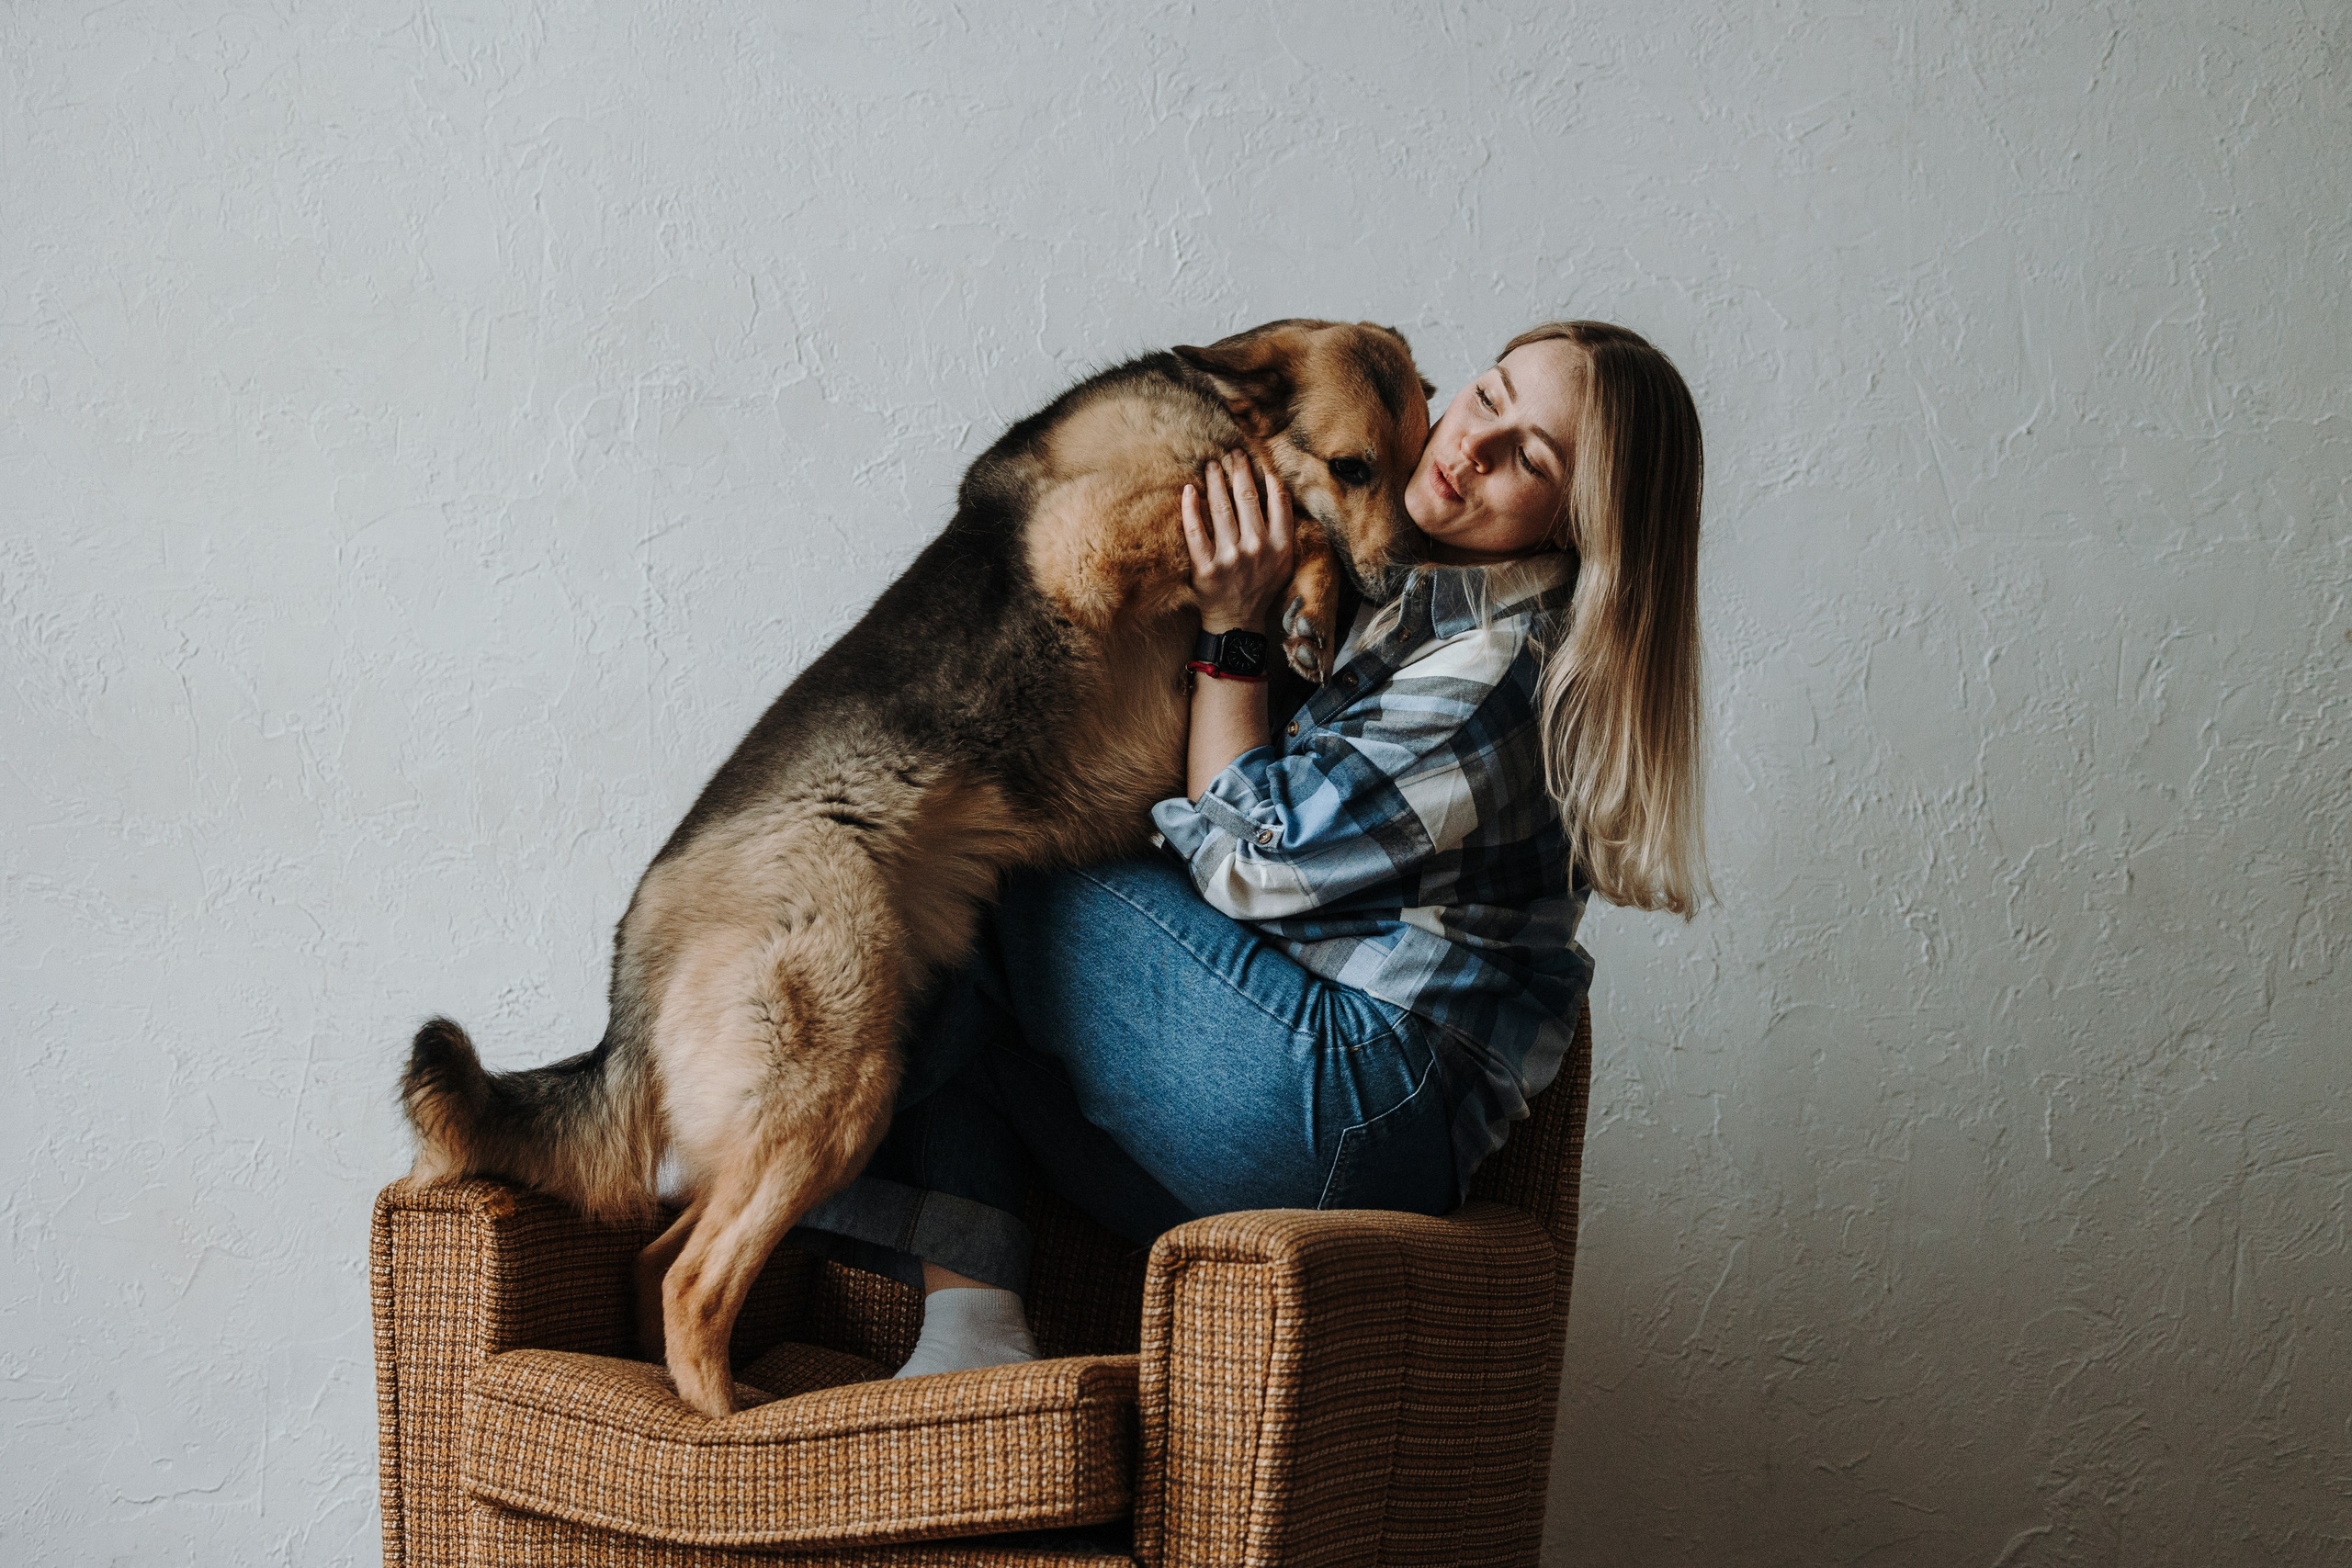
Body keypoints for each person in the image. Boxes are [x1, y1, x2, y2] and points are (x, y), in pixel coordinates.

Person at [788, 321, 1708, 1377]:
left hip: (1355, 1103)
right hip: (1304, 1106)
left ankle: (753, 1150)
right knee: (977, 1004)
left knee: (984, 857)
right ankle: (970, 1327)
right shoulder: (1401, 595)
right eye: (1489, 397)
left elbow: (1248, 866)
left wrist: (1231, 630)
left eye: (1531, 458)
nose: (1472, 447)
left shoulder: (1499, 666)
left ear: (1578, 523)